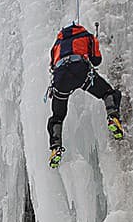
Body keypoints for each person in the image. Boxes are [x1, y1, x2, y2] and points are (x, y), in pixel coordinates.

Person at [47, 22, 124, 166]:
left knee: (57, 117)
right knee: (108, 92)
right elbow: (96, 60)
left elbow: (52, 65)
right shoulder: (86, 35)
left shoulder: (56, 45)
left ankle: (55, 147)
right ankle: (113, 117)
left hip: (61, 78)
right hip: (80, 71)